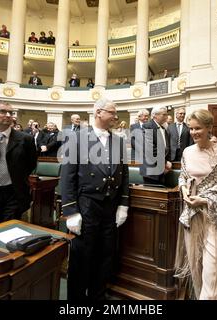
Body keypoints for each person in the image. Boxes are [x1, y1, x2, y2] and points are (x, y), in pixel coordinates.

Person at [60, 98, 129, 300]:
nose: (115, 117)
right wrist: (71, 212)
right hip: (86, 205)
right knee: (82, 257)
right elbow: (67, 177)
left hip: (110, 206)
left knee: (106, 255)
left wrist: (123, 204)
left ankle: (97, 297)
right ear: (98, 112)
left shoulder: (119, 140)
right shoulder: (77, 138)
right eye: (112, 112)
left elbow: (123, 175)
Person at [174, 109, 217, 300]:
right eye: (191, 128)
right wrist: (184, 190)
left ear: (209, 127)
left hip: (215, 219)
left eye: (198, 128)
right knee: (196, 269)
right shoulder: (187, 152)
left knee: (212, 272)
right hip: (192, 216)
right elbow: (183, 177)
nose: (194, 132)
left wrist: (205, 199)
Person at [139, 106, 172, 185]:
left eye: (166, 114)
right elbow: (150, 149)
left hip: (162, 171)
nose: (166, 117)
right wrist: (165, 162)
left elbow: (167, 148)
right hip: (152, 172)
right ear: (155, 115)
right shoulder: (147, 126)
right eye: (164, 115)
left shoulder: (163, 128)